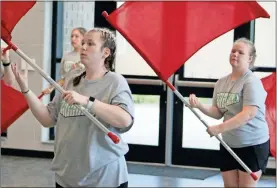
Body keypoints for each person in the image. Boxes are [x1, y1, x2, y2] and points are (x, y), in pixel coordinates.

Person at [11, 27, 134, 187]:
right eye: (83, 43)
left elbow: (124, 120)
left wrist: (87, 101)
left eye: (90, 44)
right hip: (67, 177)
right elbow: (47, 119)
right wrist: (26, 90)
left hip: (104, 178)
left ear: (105, 53)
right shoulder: (71, 78)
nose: (83, 47)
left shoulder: (115, 82)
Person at [189, 37, 269, 187]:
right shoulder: (221, 83)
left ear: (249, 59)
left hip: (252, 145)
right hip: (229, 144)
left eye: (240, 52)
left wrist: (219, 128)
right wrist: (199, 105)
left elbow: (248, 114)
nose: (235, 54)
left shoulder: (251, 82)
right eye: (233, 51)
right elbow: (218, 112)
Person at [43, 27, 87, 95]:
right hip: (67, 94)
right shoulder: (66, 56)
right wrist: (51, 88)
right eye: (72, 36)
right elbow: (64, 79)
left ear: (84, 38)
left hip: (82, 95)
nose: (73, 39)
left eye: (76, 36)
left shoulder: (88, 56)